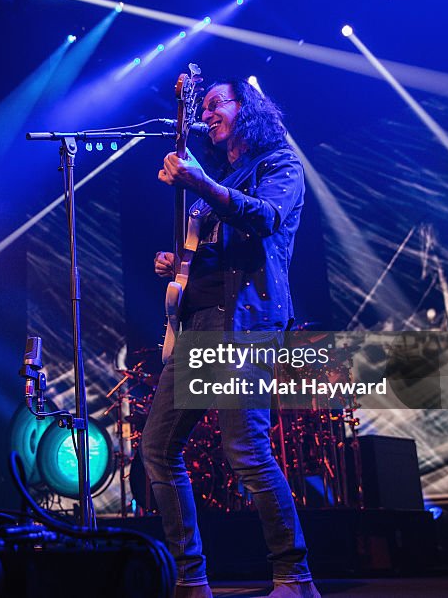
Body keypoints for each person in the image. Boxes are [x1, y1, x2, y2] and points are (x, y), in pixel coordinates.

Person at [143, 78, 319, 598]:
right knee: (158, 447)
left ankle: (295, 576)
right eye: (206, 104)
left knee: (245, 449)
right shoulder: (223, 174)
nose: (208, 111)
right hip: (201, 324)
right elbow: (218, 250)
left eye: (218, 102)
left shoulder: (280, 163)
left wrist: (201, 185)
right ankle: (191, 579)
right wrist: (180, 265)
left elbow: (263, 218)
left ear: (248, 109)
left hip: (246, 321)